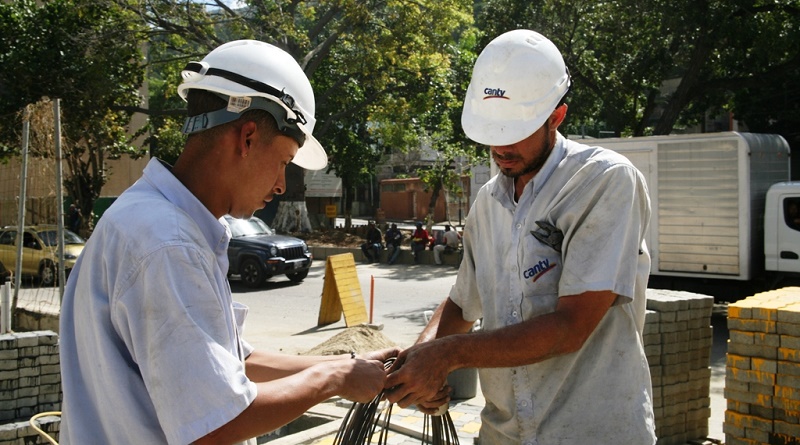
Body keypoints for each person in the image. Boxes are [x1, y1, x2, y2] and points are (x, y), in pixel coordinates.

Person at [58, 40, 395, 445]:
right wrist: (333, 379)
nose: (281, 185)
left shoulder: (155, 221)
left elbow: (235, 362)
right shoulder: (169, 243)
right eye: (284, 162)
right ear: (248, 137)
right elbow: (215, 424)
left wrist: (344, 363)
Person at [384, 29, 656, 444]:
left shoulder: (602, 181)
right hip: (504, 433)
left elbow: (571, 327)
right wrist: (420, 362)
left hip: (593, 432)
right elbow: (461, 303)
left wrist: (448, 355)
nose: (502, 147)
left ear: (556, 117)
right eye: (493, 130)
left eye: (516, 130)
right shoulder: (488, 202)